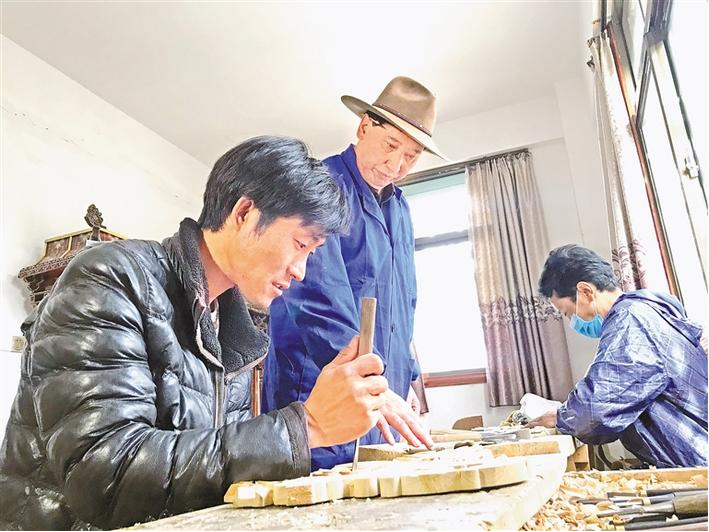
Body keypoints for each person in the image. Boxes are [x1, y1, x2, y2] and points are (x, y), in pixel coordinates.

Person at [0, 136, 424, 530]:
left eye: (312, 253)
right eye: (300, 244)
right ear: (244, 213)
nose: (301, 271)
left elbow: (212, 470)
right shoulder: (110, 278)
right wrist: (306, 426)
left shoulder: (235, 330)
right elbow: (105, 478)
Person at [264, 77, 444, 470]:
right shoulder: (320, 187)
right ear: (364, 127)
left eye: (411, 156)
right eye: (391, 145)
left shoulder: (400, 208)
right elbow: (315, 297)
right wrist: (371, 384)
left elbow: (403, 303)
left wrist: (408, 378)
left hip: (380, 391)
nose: (396, 165)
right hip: (318, 386)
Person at [529, 244, 708, 468]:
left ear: (586, 291)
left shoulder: (631, 321)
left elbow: (595, 410)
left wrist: (560, 417)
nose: (572, 321)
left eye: (568, 312)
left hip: (698, 466)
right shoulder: (648, 309)